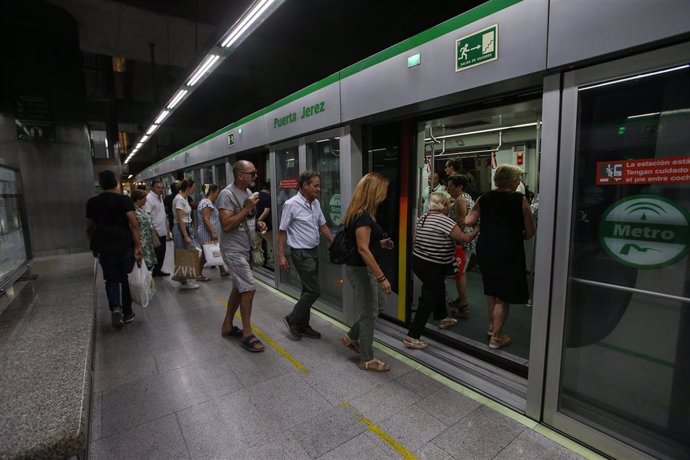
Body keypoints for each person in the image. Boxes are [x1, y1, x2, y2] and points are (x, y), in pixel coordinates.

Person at [466, 164, 536, 349]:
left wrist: (485, 227)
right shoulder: (520, 199)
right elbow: (530, 231)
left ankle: (491, 326)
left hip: (486, 247)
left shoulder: (485, 197)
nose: (519, 182)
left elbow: (468, 220)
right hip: (508, 249)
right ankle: (496, 337)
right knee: (503, 296)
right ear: (512, 180)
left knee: (492, 290)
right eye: (518, 179)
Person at [404, 192, 477, 349]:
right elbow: (465, 239)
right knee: (427, 299)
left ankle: (442, 317)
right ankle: (412, 337)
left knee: (438, 286)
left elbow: (416, 239)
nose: (450, 206)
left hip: (418, 261)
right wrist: (478, 228)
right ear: (443, 206)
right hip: (433, 266)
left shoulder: (423, 218)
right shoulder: (446, 222)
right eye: (448, 204)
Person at [339, 172, 395, 372]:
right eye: (384, 190)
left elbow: (363, 244)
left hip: (360, 268)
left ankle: (352, 337)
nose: (386, 194)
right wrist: (382, 277)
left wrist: (380, 242)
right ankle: (367, 359)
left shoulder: (362, 213)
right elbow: (362, 249)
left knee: (377, 306)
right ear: (375, 191)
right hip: (362, 270)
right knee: (370, 312)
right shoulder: (362, 216)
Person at [217, 160, 267, 352]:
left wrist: (257, 224)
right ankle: (247, 333)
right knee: (248, 289)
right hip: (233, 250)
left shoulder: (247, 193)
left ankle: (227, 325)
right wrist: (246, 209)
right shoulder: (226, 195)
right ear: (240, 175)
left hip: (246, 248)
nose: (256, 176)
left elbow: (246, 221)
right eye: (252, 173)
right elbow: (227, 225)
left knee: (239, 288)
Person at [278, 171, 334, 340]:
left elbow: (323, 226)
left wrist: (335, 243)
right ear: (305, 186)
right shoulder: (291, 204)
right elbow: (282, 231)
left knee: (306, 290)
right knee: (313, 290)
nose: (319, 189)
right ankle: (293, 318)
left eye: (319, 185)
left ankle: (303, 325)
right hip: (301, 253)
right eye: (315, 185)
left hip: (313, 251)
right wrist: (281, 255)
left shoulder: (315, 203)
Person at [86, 170, 143, 328]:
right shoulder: (124, 200)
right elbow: (133, 224)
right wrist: (138, 245)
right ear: (116, 183)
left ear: (101, 184)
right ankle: (128, 312)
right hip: (125, 246)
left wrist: (93, 245)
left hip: (105, 247)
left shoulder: (92, 202)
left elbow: (90, 227)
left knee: (110, 279)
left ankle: (115, 307)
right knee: (125, 278)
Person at [446, 174, 476, 318]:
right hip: (466, 241)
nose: (448, 189)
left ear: (460, 187)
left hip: (462, 242)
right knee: (460, 271)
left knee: (460, 273)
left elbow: (461, 223)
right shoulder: (466, 197)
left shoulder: (461, 201)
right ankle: (461, 300)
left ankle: (463, 304)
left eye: (451, 186)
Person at [172, 179, 200, 289]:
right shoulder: (179, 199)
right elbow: (180, 219)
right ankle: (183, 279)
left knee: (187, 253)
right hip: (181, 229)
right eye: (193, 188)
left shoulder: (185, 198)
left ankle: (181, 276)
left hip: (187, 227)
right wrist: (186, 236)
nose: (194, 190)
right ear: (188, 188)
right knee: (184, 254)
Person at [197, 184, 229, 278]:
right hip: (207, 232)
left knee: (214, 249)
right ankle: (198, 274)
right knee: (205, 253)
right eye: (217, 192)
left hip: (208, 231)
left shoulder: (205, 202)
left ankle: (222, 270)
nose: (217, 195)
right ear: (212, 192)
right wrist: (213, 232)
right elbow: (206, 219)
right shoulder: (207, 203)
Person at [145, 178, 169, 277]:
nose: (160, 189)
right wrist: (154, 231)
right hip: (155, 232)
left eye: (162, 188)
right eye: (158, 187)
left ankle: (157, 270)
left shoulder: (160, 197)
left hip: (162, 230)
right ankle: (150, 272)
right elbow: (147, 216)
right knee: (155, 253)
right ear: (152, 187)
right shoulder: (149, 198)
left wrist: (167, 229)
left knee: (162, 252)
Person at [132, 190, 158, 271]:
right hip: (141, 241)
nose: (146, 200)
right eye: (144, 198)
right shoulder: (133, 211)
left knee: (149, 263)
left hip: (147, 241)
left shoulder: (142, 209)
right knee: (143, 264)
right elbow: (134, 227)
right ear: (138, 199)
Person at [255, 182, 273, 267]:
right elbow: (266, 212)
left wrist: (255, 222)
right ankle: (273, 262)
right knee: (273, 244)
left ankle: (258, 262)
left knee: (257, 246)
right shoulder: (268, 197)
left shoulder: (255, 195)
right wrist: (259, 221)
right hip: (265, 227)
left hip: (256, 228)